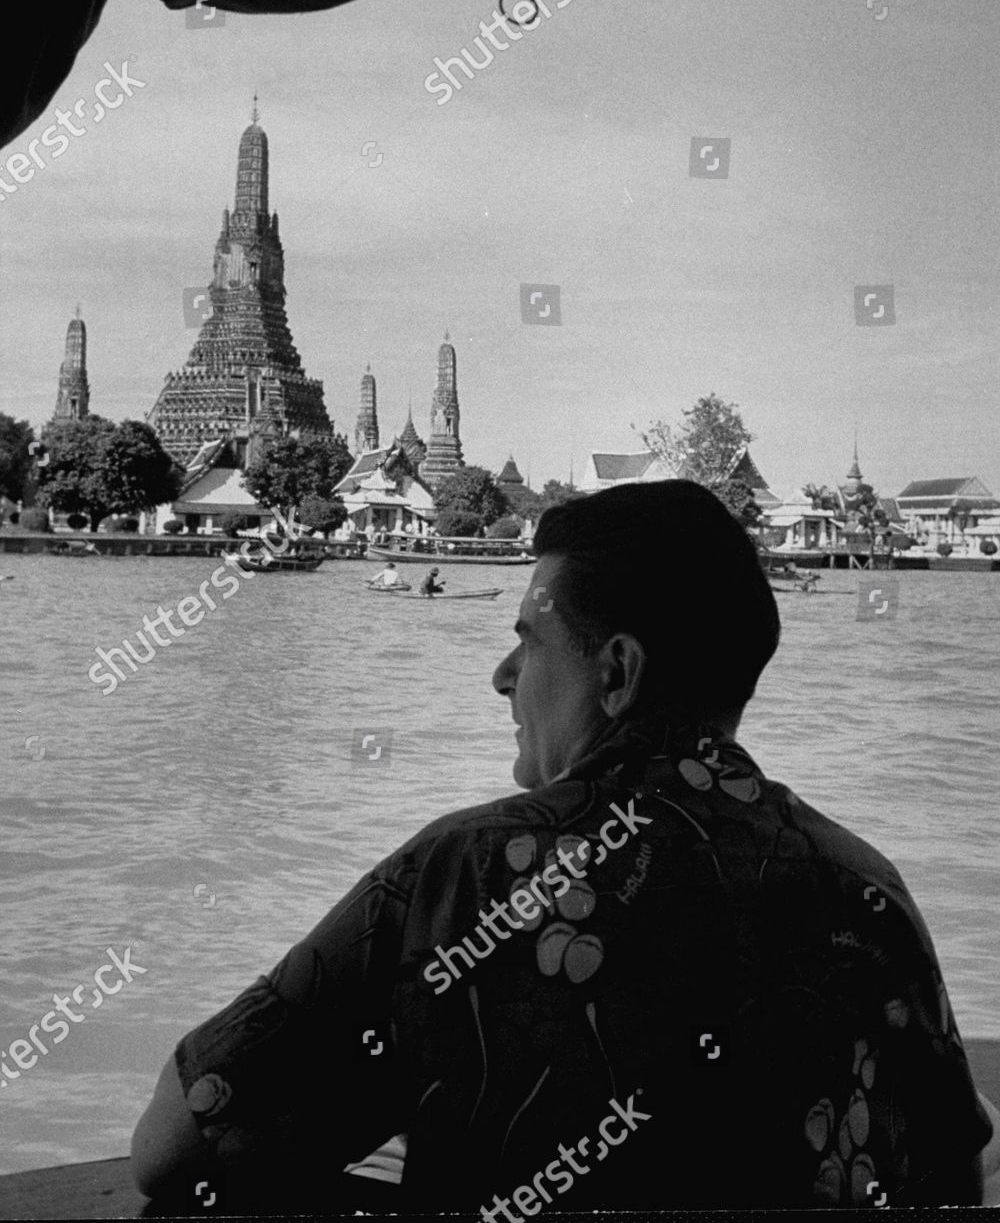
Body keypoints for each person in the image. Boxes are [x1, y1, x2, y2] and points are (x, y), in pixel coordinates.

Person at [130, 481, 996, 1214]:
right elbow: (954, 1173)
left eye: (528, 641)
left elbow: (173, 1147)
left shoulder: (466, 873)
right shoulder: (863, 889)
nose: (503, 676)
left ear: (616, 673)